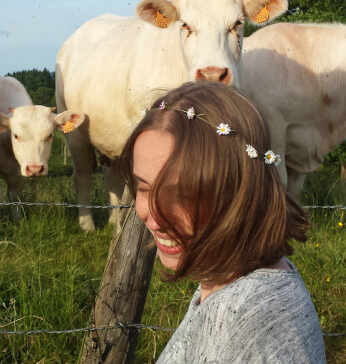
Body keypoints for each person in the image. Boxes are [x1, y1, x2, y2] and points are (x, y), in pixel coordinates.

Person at [119, 81, 326, 363]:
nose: (154, 218)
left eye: (181, 194)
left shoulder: (252, 321)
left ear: (240, 189)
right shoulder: (225, 282)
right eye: (144, 187)